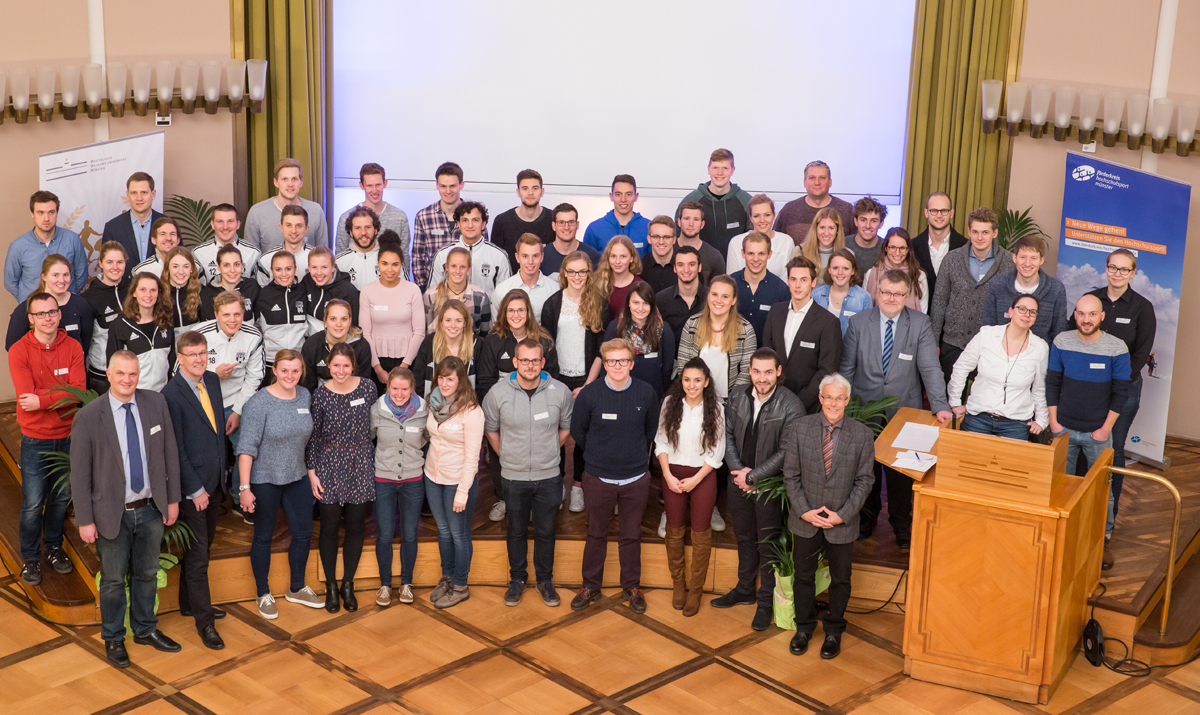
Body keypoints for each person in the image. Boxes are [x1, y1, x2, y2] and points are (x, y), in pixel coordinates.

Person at [70, 350, 182, 668]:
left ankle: (145, 629)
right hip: (111, 513)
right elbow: (80, 474)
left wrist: (172, 499)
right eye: (120, 373)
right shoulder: (89, 416)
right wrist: (85, 519)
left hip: (150, 508)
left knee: (147, 573)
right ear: (108, 374)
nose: (127, 380)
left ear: (139, 375)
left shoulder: (155, 403)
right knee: (113, 580)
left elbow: (170, 453)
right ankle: (114, 637)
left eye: (132, 374)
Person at [840, 269, 952, 548]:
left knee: (901, 471)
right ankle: (866, 519)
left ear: (907, 295)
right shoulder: (858, 322)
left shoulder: (920, 323)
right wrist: (841, 406)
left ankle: (902, 524)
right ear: (877, 292)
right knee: (865, 468)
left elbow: (930, 367)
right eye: (887, 292)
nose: (891, 298)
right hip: (865, 409)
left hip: (904, 409)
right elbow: (847, 369)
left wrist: (940, 405)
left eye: (898, 294)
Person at [782, 373, 875, 660]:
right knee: (803, 577)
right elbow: (790, 475)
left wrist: (841, 516)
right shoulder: (800, 428)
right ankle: (804, 628)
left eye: (839, 398)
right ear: (820, 398)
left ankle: (834, 631)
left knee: (841, 579)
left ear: (847, 400)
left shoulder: (862, 434)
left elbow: (865, 481)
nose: (833, 403)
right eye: (828, 397)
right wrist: (804, 511)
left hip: (841, 523)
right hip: (806, 520)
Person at [1070, 248, 1156, 544]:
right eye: (1113, 267)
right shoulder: (1090, 300)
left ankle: (1105, 525)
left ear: (1133, 273)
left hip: (1122, 391)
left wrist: (1113, 384)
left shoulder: (1143, 308)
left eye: (1124, 269)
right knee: (1081, 446)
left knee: (1112, 450)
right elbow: (1072, 336)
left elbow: (1141, 354)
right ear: (1105, 269)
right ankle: (1076, 512)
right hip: (1085, 389)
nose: (1117, 273)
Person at [569, 339, 661, 614]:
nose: (617, 365)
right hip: (598, 478)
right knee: (595, 534)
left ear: (631, 364)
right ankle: (590, 586)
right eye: (611, 361)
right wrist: (600, 453)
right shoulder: (589, 394)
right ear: (604, 364)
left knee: (631, 535)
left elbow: (651, 431)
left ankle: (632, 587)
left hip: (635, 478)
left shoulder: (646, 393)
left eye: (622, 360)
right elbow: (578, 432)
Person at [715, 348, 803, 630]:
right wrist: (739, 473)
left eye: (768, 372)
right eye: (756, 371)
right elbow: (727, 436)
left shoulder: (791, 404)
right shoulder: (738, 395)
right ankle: (744, 590)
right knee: (743, 537)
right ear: (750, 371)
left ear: (778, 372)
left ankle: (765, 602)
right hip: (738, 481)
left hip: (769, 486)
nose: (762, 378)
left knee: (767, 544)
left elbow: (786, 452)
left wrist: (753, 477)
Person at [483, 339, 573, 607]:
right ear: (515, 362)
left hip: (549, 476)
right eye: (525, 360)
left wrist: (549, 450)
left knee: (546, 531)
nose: (530, 365)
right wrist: (506, 454)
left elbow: (566, 428)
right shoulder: (497, 393)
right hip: (513, 476)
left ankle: (545, 581)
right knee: (516, 531)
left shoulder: (561, 392)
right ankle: (517, 580)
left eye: (535, 360)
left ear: (543, 362)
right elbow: (491, 429)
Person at [236, 350, 323, 619]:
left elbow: (307, 439)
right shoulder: (258, 403)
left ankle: (296, 587)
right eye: (284, 370)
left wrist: (311, 472)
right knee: (264, 536)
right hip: (265, 479)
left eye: (295, 371)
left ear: (302, 372)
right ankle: (263, 593)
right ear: (274, 370)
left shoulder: (304, 396)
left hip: (297, 476)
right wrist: (244, 488)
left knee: (304, 533)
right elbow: (246, 449)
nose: (290, 375)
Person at [1049, 294, 1131, 570]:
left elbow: (1121, 393)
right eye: (1081, 314)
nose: (1086, 320)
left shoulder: (1117, 348)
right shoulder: (1061, 341)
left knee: (1102, 490)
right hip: (1063, 430)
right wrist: (1054, 423)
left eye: (1092, 314)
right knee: (1059, 485)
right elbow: (1052, 382)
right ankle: (1059, 534)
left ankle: (1101, 539)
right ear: (1075, 315)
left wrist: (1105, 429)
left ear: (1102, 316)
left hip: (1098, 433)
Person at [10, 291, 85, 586]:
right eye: (41, 314)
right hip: (35, 439)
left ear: (59, 313)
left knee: (61, 498)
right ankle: (30, 558)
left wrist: (42, 400)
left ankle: (54, 547)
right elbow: (25, 397)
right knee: (33, 502)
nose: (48, 318)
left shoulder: (73, 347)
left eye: (52, 312)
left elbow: (78, 393)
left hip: (68, 436)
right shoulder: (19, 350)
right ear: (31, 318)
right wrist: (60, 394)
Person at [162, 331, 227, 650]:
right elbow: (176, 449)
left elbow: (215, 433)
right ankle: (205, 623)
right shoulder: (171, 394)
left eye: (203, 353)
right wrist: (195, 489)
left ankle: (189, 604)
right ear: (180, 358)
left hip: (215, 483)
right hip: (194, 490)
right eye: (193, 354)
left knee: (202, 548)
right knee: (199, 556)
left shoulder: (212, 380)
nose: (199, 359)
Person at [306, 342, 377, 613]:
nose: (340, 370)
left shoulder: (368, 388)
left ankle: (348, 584)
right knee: (330, 527)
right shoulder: (321, 394)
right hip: (329, 463)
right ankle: (331, 586)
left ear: (353, 366)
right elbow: (314, 435)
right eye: (336, 365)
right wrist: (312, 472)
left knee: (356, 526)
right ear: (328, 365)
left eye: (346, 365)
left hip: (360, 462)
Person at [477, 290, 560, 520]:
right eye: (511, 310)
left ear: (528, 312)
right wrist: (494, 412)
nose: (516, 315)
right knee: (500, 454)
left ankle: (538, 500)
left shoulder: (544, 339)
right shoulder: (494, 340)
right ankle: (504, 498)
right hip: (503, 408)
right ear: (504, 313)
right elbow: (485, 380)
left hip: (539, 406)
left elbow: (553, 375)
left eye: (520, 310)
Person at [540, 252, 610, 509]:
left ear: (589, 273)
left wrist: (589, 384)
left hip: (586, 378)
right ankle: (557, 484)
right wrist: (553, 382)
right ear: (564, 273)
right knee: (554, 432)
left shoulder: (599, 304)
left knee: (583, 434)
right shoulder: (552, 303)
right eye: (572, 271)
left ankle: (578, 485)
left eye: (582, 271)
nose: (577, 276)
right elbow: (546, 347)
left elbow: (601, 350)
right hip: (556, 378)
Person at [656, 358, 725, 616]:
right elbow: (661, 442)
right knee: (674, 532)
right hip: (672, 474)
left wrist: (696, 479)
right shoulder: (669, 404)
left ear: (706, 382)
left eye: (697, 380)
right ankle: (678, 586)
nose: (691, 385)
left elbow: (717, 451)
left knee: (700, 534)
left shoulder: (716, 408)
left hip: (703, 475)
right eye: (686, 380)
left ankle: (696, 590)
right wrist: (667, 475)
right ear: (681, 381)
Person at [929, 207, 1015, 391]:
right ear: (969, 231)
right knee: (950, 400)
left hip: (991, 348)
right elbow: (939, 302)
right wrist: (934, 342)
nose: (979, 237)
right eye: (975, 232)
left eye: (985, 232)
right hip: (953, 344)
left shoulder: (1009, 262)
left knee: (984, 400)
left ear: (995, 233)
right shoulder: (951, 259)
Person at [425, 356, 485, 609]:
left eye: (450, 379)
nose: (444, 383)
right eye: (441, 378)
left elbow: (473, 456)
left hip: (457, 482)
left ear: (461, 381)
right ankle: (447, 578)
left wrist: (463, 491)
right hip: (432, 477)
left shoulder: (472, 412)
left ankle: (460, 586)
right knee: (443, 530)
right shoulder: (432, 403)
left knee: (459, 535)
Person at [949, 294, 1049, 440]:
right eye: (1022, 309)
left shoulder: (1040, 347)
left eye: (1032, 312)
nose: (1027, 314)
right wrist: (954, 403)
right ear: (1010, 311)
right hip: (977, 418)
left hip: (1015, 424)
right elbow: (961, 368)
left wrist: (1041, 420)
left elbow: (1039, 388)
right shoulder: (986, 335)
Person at [197, 291, 265, 499]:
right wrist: (212, 375)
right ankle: (206, 498)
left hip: (237, 402)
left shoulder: (253, 336)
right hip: (204, 403)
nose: (232, 320)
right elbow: (180, 373)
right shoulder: (199, 334)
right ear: (216, 315)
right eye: (226, 315)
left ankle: (238, 498)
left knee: (246, 449)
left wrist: (238, 411)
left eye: (237, 314)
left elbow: (255, 377)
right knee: (204, 453)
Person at [370, 366, 428, 607]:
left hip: (413, 480)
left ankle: (406, 583)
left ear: (412, 388)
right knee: (384, 534)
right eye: (395, 388)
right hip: (383, 479)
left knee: (410, 533)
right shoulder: (377, 409)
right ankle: (385, 585)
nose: (399, 394)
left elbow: (429, 438)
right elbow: (369, 438)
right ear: (388, 387)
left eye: (404, 389)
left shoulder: (424, 410)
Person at [762, 256, 843, 413]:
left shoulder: (828, 322)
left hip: (807, 406)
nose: (797, 285)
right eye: (793, 279)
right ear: (787, 281)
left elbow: (827, 370)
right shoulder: (775, 312)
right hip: (772, 400)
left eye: (803, 280)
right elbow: (766, 356)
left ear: (813, 282)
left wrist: (798, 403)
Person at [674, 274, 757, 402]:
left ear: (733, 300)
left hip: (730, 401)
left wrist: (731, 402)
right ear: (708, 296)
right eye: (714, 294)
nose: (718, 300)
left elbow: (746, 372)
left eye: (725, 296)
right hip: (696, 399)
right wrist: (695, 396)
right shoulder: (692, 325)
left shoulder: (745, 330)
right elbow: (683, 365)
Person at [360, 235, 425, 392]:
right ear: (378, 263)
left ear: (402, 264)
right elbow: (365, 333)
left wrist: (404, 366)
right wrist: (378, 369)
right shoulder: (367, 290)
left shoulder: (413, 290)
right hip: (376, 362)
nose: (390, 269)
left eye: (395, 264)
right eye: (385, 263)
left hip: (409, 360)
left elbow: (419, 332)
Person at [412, 162, 487, 290]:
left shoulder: (475, 216)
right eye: (443, 186)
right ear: (437, 185)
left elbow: (484, 251)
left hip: (470, 290)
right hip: (436, 290)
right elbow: (418, 257)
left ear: (461, 185)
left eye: (452, 186)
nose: (448, 191)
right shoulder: (424, 216)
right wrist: (423, 289)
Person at [981, 236, 1069, 344]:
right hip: (999, 353)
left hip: (1039, 354)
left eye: (1033, 258)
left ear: (1041, 260)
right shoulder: (997, 284)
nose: (1027, 263)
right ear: (1014, 258)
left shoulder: (1056, 289)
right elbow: (988, 328)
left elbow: (1059, 334)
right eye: (1023, 257)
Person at [601, 281, 675, 399]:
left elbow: (667, 370)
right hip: (619, 394)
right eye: (636, 302)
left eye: (645, 303)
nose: (640, 308)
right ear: (628, 303)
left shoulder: (664, 330)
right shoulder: (615, 328)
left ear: (652, 305)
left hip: (652, 395)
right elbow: (605, 364)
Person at [6, 254, 93, 352]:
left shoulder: (81, 305)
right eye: (55, 275)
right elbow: (12, 347)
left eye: (66, 275)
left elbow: (85, 344)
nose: (62, 280)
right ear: (44, 276)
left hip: (72, 361)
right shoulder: (27, 308)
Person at [675, 148, 752, 258]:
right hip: (699, 266)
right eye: (715, 168)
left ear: (733, 170)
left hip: (737, 267)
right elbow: (677, 235)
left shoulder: (746, 201)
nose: (719, 173)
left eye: (725, 168)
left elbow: (755, 238)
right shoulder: (691, 200)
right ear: (708, 169)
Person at [106, 272, 176, 392]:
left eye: (153, 290)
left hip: (162, 394)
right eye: (143, 290)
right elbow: (113, 367)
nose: (148, 295)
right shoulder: (120, 325)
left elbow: (171, 361)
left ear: (159, 293)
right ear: (134, 293)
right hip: (133, 395)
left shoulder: (166, 322)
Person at [244, 158, 328, 251]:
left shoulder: (315, 211)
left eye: (294, 179)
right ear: (276, 182)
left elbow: (323, 253)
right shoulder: (257, 213)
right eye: (285, 179)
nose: (290, 184)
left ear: (301, 182)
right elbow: (250, 256)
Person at [79, 242, 130, 393]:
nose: (115, 267)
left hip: (131, 372)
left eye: (119, 262)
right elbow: (85, 340)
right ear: (100, 263)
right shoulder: (89, 298)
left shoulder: (134, 289)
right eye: (109, 262)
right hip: (101, 375)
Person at [428, 201, 511, 292]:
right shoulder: (442, 255)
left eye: (475, 220)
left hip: (487, 302)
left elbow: (506, 295)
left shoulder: (499, 256)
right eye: (465, 220)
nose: (470, 225)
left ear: (483, 224)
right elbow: (433, 293)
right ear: (458, 224)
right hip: (451, 302)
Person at [254, 251, 310, 381]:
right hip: (271, 362)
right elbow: (253, 326)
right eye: (278, 269)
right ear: (271, 270)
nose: (284, 274)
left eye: (288, 269)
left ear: (295, 269)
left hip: (298, 361)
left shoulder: (303, 291)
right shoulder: (263, 294)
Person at [334, 162, 410, 256]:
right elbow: (340, 257)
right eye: (369, 185)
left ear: (385, 183)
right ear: (361, 185)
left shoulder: (400, 218)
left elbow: (404, 256)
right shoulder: (346, 218)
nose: (374, 190)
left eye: (378, 185)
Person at [774, 161, 856, 246]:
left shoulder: (847, 210)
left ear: (830, 182)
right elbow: (774, 243)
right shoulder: (789, 210)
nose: (817, 183)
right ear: (804, 182)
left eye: (822, 178)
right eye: (812, 178)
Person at [101, 174, 164, 281]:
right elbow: (107, 268)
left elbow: (179, 260)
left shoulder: (168, 225)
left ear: (153, 194)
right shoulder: (113, 227)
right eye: (134, 193)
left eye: (144, 192)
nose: (139, 198)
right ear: (127, 195)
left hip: (160, 288)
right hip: (124, 290)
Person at [491, 169, 557, 271]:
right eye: (525, 188)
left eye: (535, 188)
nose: (530, 193)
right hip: (510, 280)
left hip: (547, 280)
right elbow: (495, 261)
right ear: (518, 192)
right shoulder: (502, 222)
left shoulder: (554, 219)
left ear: (542, 191)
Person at [423, 246, 493, 342]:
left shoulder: (481, 297)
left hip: (469, 350)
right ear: (446, 267)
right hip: (436, 349)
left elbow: (485, 335)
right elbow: (424, 332)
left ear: (469, 268)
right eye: (453, 266)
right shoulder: (430, 295)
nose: (458, 271)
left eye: (462, 267)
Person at [413, 300, 481, 397]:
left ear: (465, 323)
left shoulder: (476, 344)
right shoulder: (429, 342)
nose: (453, 325)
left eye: (458, 321)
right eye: (448, 320)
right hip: (432, 404)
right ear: (441, 322)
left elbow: (482, 383)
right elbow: (418, 380)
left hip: (466, 403)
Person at [301, 298, 372, 389]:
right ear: (325, 321)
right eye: (333, 319)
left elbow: (363, 385)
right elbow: (308, 386)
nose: (338, 324)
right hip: (320, 396)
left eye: (344, 319)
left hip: (352, 395)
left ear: (350, 321)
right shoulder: (311, 345)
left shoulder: (361, 346)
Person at [732, 232, 789, 343]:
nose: (756, 259)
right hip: (731, 351)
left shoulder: (781, 290)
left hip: (766, 352)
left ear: (769, 254)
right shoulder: (729, 285)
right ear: (743, 254)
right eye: (751, 253)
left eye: (761, 254)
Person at [726, 194, 795, 281]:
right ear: (750, 217)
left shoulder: (786, 242)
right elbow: (731, 280)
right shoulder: (736, 242)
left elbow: (788, 279)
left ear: (774, 215)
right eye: (756, 216)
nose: (762, 220)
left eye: (767, 215)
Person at [911, 191, 966, 299]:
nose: (939, 215)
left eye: (944, 210)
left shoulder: (965, 246)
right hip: (920, 309)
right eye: (934, 211)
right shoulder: (912, 246)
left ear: (951, 213)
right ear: (926, 213)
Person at [491, 234, 559, 317]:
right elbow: (497, 323)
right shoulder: (501, 291)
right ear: (517, 257)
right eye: (525, 256)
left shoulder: (555, 290)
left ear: (542, 257)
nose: (530, 262)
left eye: (535, 256)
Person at [192, 203, 260, 286]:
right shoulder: (198, 253)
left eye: (230, 221)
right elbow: (195, 288)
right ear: (212, 224)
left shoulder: (253, 252)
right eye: (220, 221)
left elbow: (257, 287)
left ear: (238, 224)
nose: (225, 227)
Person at [582, 174, 651, 256]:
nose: (623, 199)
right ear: (611, 196)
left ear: (636, 197)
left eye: (628, 194)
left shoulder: (649, 228)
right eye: (618, 194)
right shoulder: (594, 229)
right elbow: (586, 262)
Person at [863, 228, 929, 313]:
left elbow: (923, 312)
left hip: (911, 321)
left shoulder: (919, 275)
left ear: (908, 249)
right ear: (886, 248)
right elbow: (865, 308)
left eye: (902, 248)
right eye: (893, 247)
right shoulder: (871, 273)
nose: (897, 253)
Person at [812, 249, 873, 334]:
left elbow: (867, 332)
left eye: (845, 268)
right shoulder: (816, 295)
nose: (840, 273)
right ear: (829, 269)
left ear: (853, 271)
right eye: (835, 268)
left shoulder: (864, 298)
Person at [302, 246, 360, 333]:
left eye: (324, 267)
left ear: (333, 267)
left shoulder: (348, 291)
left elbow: (354, 327)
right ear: (309, 268)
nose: (319, 273)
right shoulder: (307, 281)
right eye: (314, 267)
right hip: (309, 338)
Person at [199, 244, 259, 323]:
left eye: (236, 264)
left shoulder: (252, 286)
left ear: (242, 265)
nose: (232, 270)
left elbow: (259, 322)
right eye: (226, 265)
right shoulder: (206, 294)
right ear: (219, 267)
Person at [257, 205, 313, 286]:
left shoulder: (317, 258)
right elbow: (262, 292)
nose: (293, 231)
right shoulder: (266, 259)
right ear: (281, 227)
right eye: (289, 225)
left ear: (306, 228)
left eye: (298, 226)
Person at [541, 203, 600, 280]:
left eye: (571, 222)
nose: (566, 227)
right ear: (553, 226)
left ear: (577, 225)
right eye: (561, 222)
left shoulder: (592, 256)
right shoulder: (542, 256)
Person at [657, 246, 705, 339]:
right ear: (674, 268)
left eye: (691, 264)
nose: (686, 269)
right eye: (680, 265)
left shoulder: (711, 298)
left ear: (699, 267)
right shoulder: (661, 300)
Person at [676, 201, 728, 284]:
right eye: (687, 219)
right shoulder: (668, 251)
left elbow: (719, 289)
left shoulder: (714, 257)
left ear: (702, 224)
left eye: (696, 219)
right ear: (679, 222)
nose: (691, 224)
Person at [335, 207, 386, 289]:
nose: (363, 233)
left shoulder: (390, 259)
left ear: (376, 230)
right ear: (351, 233)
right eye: (357, 228)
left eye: (368, 227)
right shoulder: (339, 262)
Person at [595, 235, 645, 318]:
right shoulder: (597, 283)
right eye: (613, 256)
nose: (617, 261)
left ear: (631, 258)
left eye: (623, 256)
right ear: (608, 258)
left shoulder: (640, 287)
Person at [162, 247, 205, 340]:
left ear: (192, 268)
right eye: (175, 266)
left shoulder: (202, 291)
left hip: (195, 343)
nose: (181, 272)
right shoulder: (158, 293)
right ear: (167, 268)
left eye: (186, 266)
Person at [797, 207, 847, 281]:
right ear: (816, 229)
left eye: (831, 228)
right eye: (822, 227)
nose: (826, 233)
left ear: (837, 230)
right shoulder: (800, 252)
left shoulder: (848, 255)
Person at [846, 197, 887, 273]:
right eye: (863, 220)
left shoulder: (887, 249)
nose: (868, 226)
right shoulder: (842, 245)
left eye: (873, 221)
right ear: (856, 221)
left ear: (881, 224)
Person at [640, 216, 680, 293]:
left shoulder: (685, 268)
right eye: (656, 237)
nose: (661, 242)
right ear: (649, 239)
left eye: (666, 237)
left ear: (674, 240)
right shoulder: (639, 268)